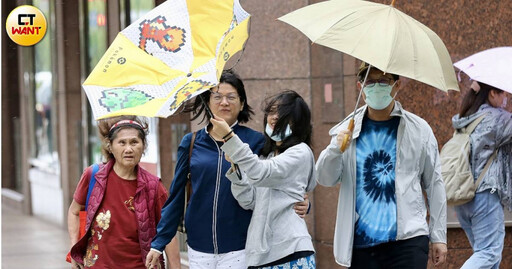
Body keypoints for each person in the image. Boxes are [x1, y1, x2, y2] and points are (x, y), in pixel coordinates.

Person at [146, 71, 310, 269]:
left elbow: (281, 177)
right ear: (207, 101)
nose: (224, 102)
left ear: (241, 104)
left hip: (241, 245)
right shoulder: (191, 143)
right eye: (217, 96)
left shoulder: (257, 142)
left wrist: (302, 201)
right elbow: (176, 197)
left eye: (231, 97)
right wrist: (158, 244)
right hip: (198, 246)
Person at [315, 63, 447, 268]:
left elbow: (434, 183)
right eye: (370, 81)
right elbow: (324, 178)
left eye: (383, 81)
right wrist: (335, 149)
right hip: (362, 243)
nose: (376, 87)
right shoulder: (347, 130)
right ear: (361, 87)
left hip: (408, 240)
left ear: (397, 86)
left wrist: (439, 236)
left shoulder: (419, 130)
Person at [210, 90, 317, 268]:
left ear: (298, 122)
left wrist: (230, 138)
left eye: (284, 114)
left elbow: (261, 173)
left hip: (290, 251)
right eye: (272, 111)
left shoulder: (300, 152)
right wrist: (236, 170)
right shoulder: (267, 157)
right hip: (262, 256)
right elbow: (248, 201)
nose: (275, 117)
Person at [67, 116, 181, 269]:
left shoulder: (154, 187)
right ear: (110, 146)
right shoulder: (93, 176)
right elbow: (74, 211)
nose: (129, 149)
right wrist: (74, 248)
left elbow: (168, 231)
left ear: (143, 145)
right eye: (122, 142)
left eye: (134, 142)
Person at [451, 80, 512, 269]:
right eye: (503, 94)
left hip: (463, 197)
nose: (505, 99)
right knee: (489, 253)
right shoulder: (497, 119)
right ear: (492, 93)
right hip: (484, 195)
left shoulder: (466, 118)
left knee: (486, 257)